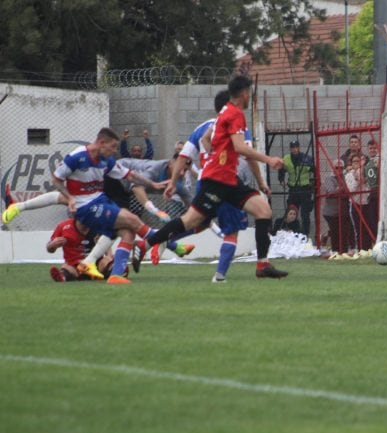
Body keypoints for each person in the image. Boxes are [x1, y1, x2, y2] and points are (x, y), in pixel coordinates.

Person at [149, 75, 288, 278]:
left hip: (225, 180)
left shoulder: (214, 120)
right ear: (244, 94)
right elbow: (244, 152)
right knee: (204, 224)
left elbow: (193, 149)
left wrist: (175, 179)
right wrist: (267, 163)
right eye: (250, 93)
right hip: (218, 181)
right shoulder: (236, 118)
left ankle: (261, 265)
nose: (251, 97)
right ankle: (149, 242)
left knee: (261, 211)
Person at [51, 127, 167, 283]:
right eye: (113, 147)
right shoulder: (76, 157)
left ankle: (115, 276)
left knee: (128, 232)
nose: (114, 151)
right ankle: (166, 241)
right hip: (85, 208)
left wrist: (152, 184)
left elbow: (130, 175)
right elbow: (56, 179)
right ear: (101, 142)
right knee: (132, 219)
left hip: (100, 202)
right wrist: (70, 198)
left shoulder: (106, 161)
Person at [47, 218, 116, 282]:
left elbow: (105, 241)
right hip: (75, 266)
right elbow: (50, 249)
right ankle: (62, 277)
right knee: (67, 267)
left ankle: (115, 271)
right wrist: (52, 245)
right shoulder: (63, 226)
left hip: (96, 263)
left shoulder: (98, 225)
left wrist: (109, 256)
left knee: (106, 261)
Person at [278, 140, 314, 235]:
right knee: (291, 212)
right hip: (293, 189)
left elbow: (314, 170)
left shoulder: (306, 158)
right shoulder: (286, 159)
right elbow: (281, 170)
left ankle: (305, 235)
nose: (295, 149)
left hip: (305, 189)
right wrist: (281, 180)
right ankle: (290, 233)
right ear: (290, 149)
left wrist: (313, 183)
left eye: (296, 147)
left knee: (305, 214)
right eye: (293, 147)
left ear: (299, 148)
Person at [321, 159, 351, 253]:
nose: (339, 170)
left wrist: (340, 190)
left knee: (344, 232)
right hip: (331, 212)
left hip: (343, 210)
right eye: (337, 168)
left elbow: (348, 193)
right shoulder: (329, 178)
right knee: (335, 232)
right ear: (333, 168)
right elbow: (331, 192)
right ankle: (336, 251)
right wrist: (341, 189)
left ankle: (343, 251)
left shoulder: (345, 177)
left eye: (341, 168)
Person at [344, 154, 370, 251]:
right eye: (355, 161)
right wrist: (356, 180)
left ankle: (367, 248)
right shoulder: (348, 175)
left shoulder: (366, 173)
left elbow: (368, 186)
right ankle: (359, 249)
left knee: (367, 228)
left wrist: (361, 175)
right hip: (355, 204)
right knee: (357, 228)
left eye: (359, 161)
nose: (357, 163)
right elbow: (351, 191)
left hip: (366, 203)